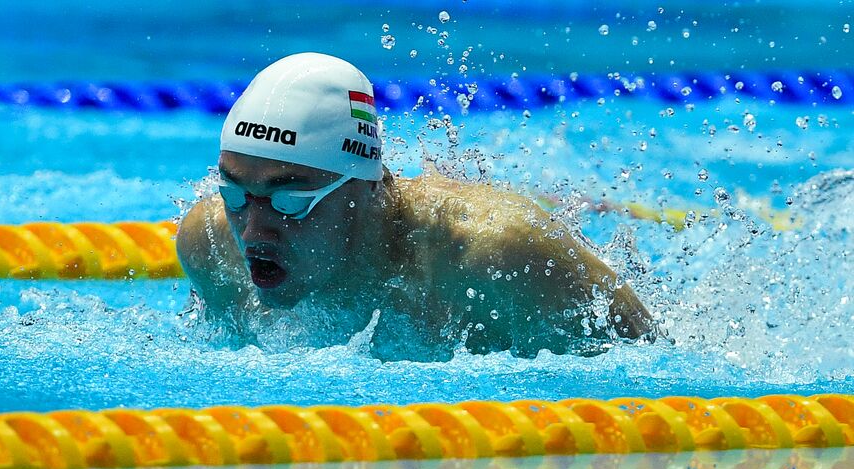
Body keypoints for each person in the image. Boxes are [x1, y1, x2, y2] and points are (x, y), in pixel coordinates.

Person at [175, 52, 655, 360]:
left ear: (368, 186)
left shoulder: (497, 254)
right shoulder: (210, 243)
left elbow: (652, 366)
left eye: (290, 200)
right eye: (235, 194)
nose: (254, 231)